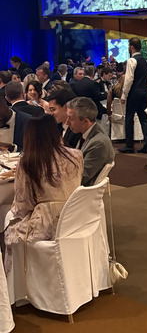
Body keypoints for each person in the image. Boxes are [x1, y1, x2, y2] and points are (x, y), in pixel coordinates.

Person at [4, 114, 83, 268]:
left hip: (47, 224)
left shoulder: (28, 163)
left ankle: (18, 280)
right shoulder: (76, 155)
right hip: (75, 217)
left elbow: (23, 205)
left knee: (8, 225)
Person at [66, 97, 114, 186]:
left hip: (81, 190)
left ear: (85, 121)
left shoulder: (98, 144)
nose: (67, 123)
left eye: (71, 119)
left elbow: (81, 178)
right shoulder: (86, 132)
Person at [119, 37, 147, 154]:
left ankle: (129, 145)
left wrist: (124, 94)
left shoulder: (132, 60)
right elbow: (146, 78)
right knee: (144, 119)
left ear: (131, 47)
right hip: (144, 92)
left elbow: (129, 79)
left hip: (134, 93)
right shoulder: (145, 61)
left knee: (129, 119)